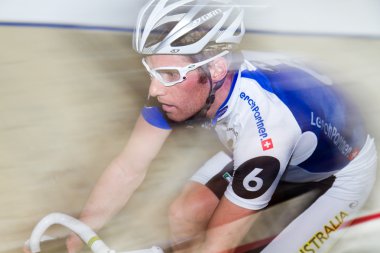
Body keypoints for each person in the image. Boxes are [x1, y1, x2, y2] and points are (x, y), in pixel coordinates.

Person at [59, 0, 377, 253]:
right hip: (281, 145)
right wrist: (85, 227)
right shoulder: (189, 84)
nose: (155, 90)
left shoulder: (266, 131)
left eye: (169, 74)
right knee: (185, 213)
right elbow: (129, 167)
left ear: (216, 68)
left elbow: (218, 246)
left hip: (338, 174)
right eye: (152, 72)